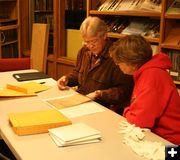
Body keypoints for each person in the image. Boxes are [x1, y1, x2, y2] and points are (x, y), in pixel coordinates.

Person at [110, 34, 180, 144]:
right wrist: (131, 111)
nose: (118, 66)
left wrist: (126, 110)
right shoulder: (149, 72)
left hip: (170, 142)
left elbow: (139, 121)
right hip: (159, 136)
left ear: (132, 62)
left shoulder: (151, 76)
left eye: (119, 63)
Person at [57, 16, 134, 113]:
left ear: (104, 36)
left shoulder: (117, 56)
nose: (90, 46)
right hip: (81, 102)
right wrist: (67, 79)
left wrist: (100, 94)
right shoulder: (84, 51)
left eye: (93, 41)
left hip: (102, 107)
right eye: (86, 42)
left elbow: (124, 91)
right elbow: (77, 73)